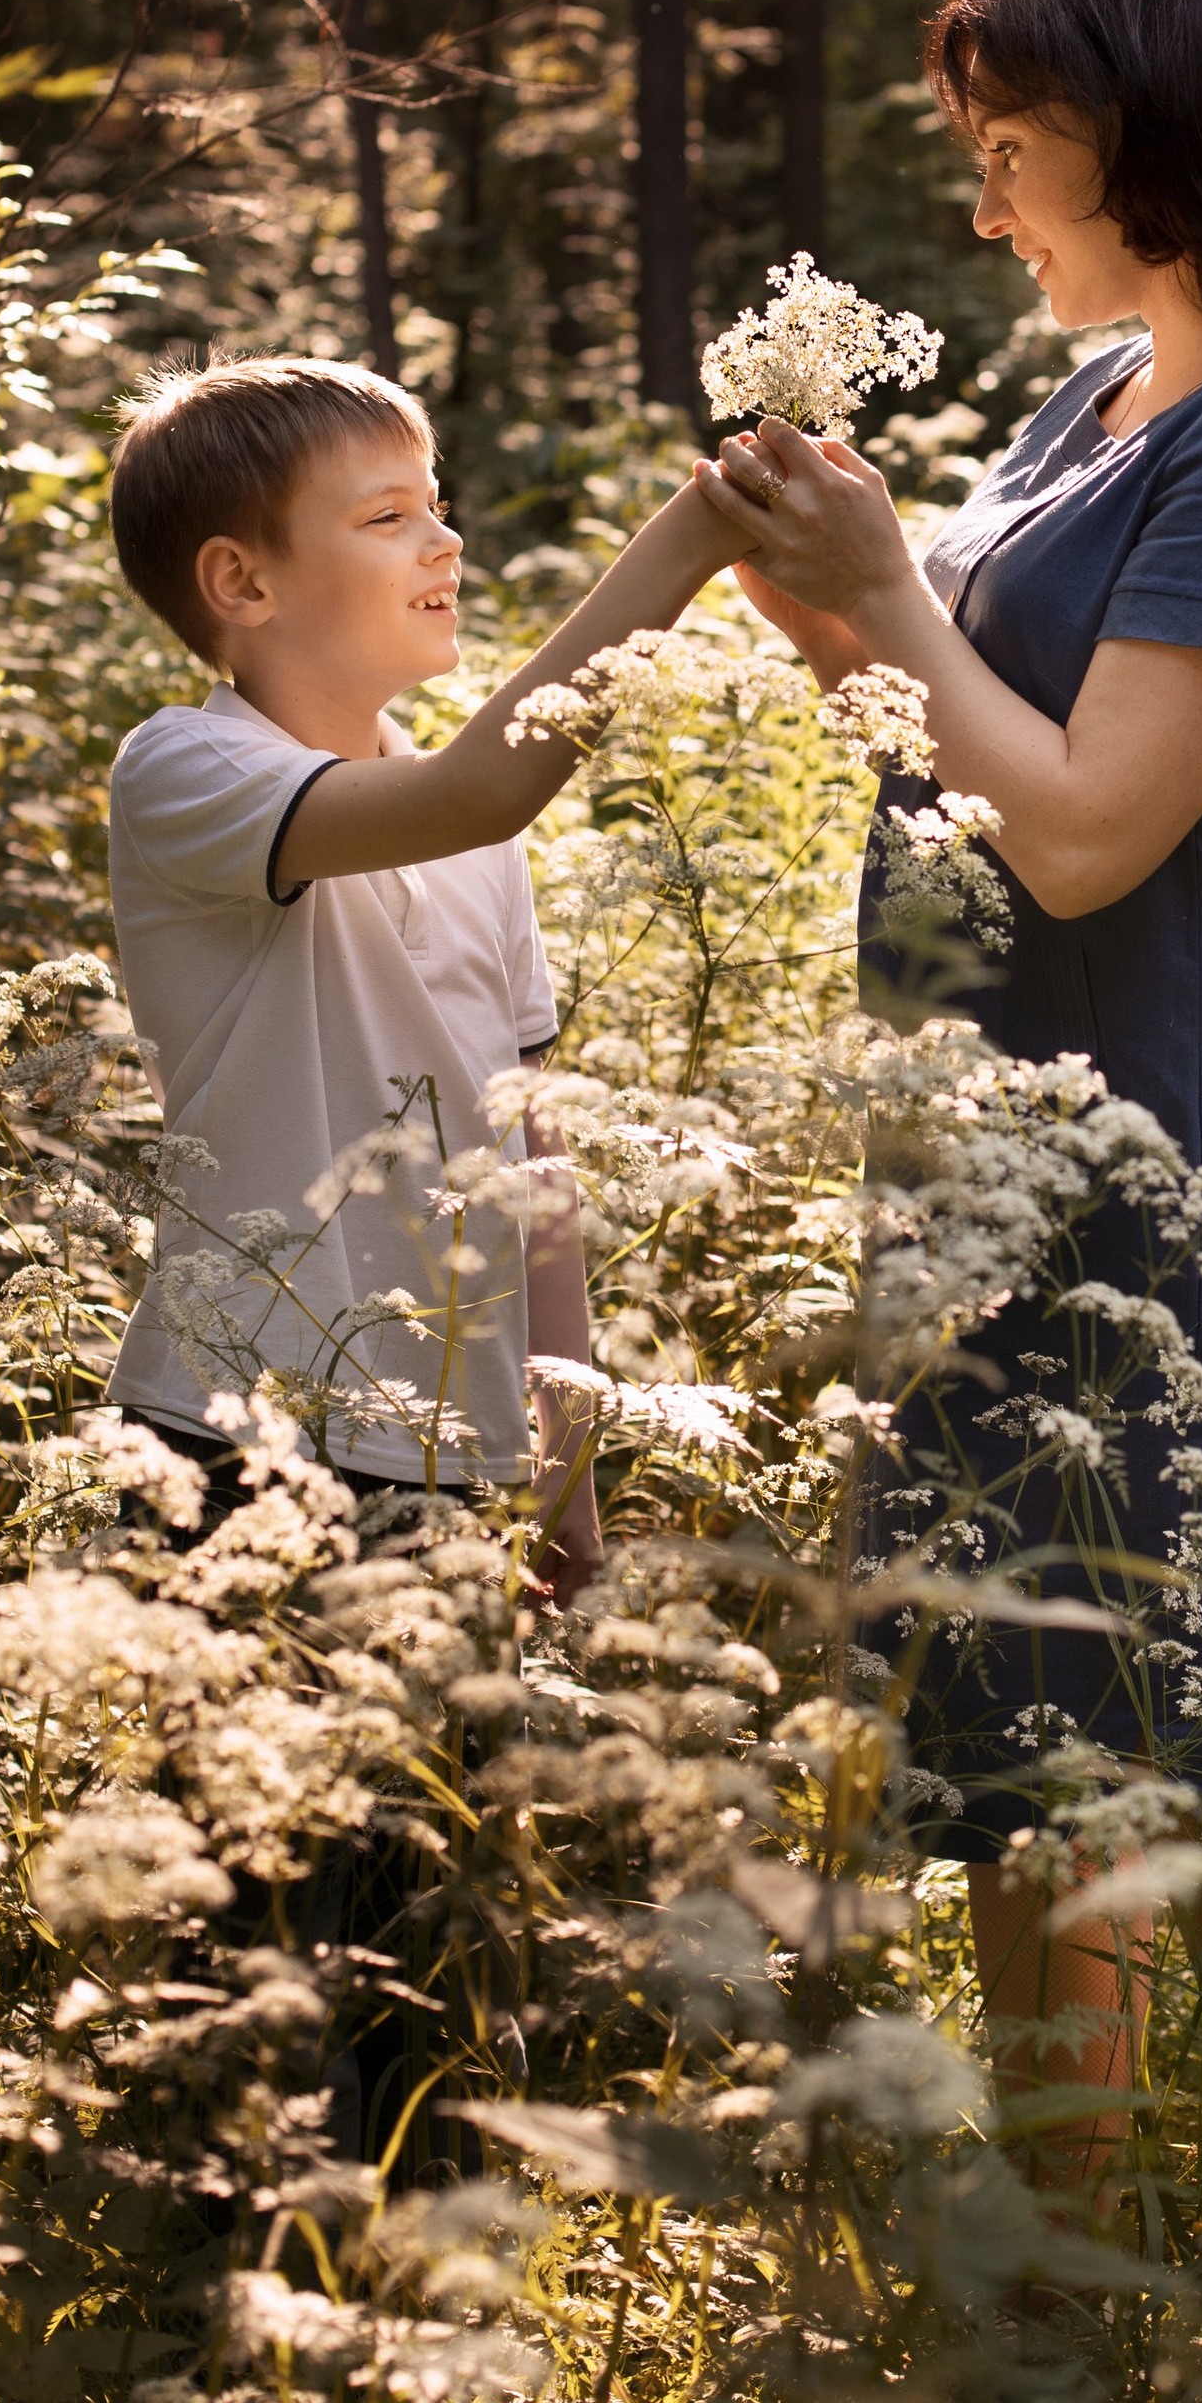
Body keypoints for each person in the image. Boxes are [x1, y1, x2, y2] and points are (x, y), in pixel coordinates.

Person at [692, 0, 1202, 2168]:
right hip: (999, 1185)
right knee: (1061, 1764)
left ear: (1139, 126)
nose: (985, 189)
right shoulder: (1107, 390)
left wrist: (889, 585)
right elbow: (963, 733)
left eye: (1010, 135)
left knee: (1142, 1776)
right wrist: (824, 594)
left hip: (1175, 1186)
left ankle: (1131, 2319)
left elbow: (1094, 827)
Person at [99, 353, 730, 1588]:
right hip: (232, 1431)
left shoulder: (476, 845)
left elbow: (532, 1162)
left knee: (438, 1789)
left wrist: (565, 1462)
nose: (442, 542)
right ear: (241, 579)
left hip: (455, 1452)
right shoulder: (186, 770)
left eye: (436, 505)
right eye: (388, 517)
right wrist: (690, 536)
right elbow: (483, 787)